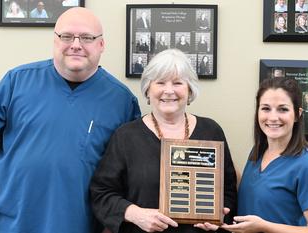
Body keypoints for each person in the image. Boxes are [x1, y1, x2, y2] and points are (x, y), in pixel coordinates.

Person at [0, 7, 140, 233]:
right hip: (11, 223)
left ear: (101, 45)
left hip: (81, 225)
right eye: (66, 36)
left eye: (87, 37)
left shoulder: (122, 101)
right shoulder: (16, 81)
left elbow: (127, 175)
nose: (76, 44)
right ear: (55, 40)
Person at [90, 49, 237, 233]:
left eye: (177, 83)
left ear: (189, 89)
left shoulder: (211, 131)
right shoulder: (126, 136)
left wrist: (220, 216)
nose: (169, 90)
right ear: (148, 90)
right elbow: (101, 193)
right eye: (160, 82)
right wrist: (136, 214)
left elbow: (229, 192)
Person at [220, 77, 308, 233]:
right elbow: (253, 192)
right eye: (266, 108)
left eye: (283, 109)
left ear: (298, 114)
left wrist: (264, 226)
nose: (273, 117)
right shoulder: (257, 152)